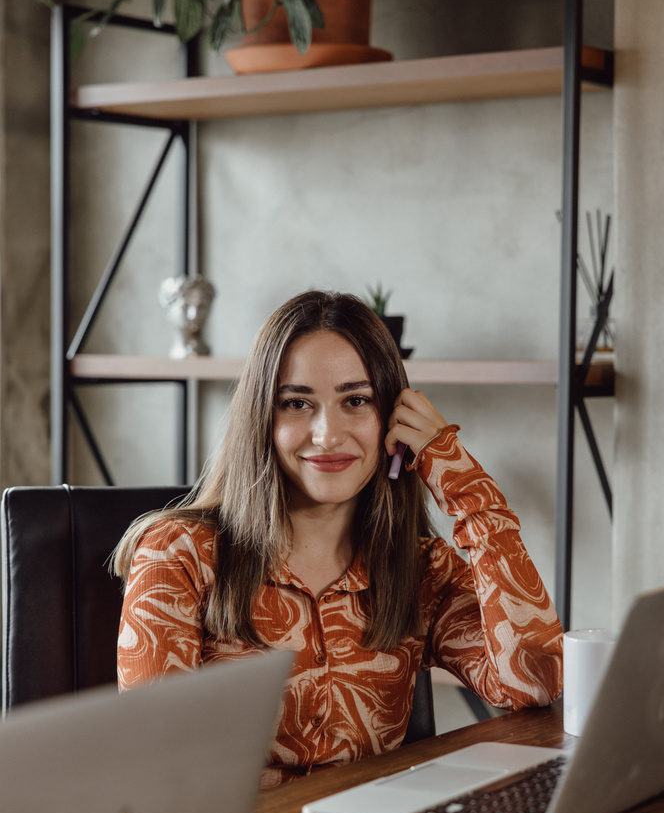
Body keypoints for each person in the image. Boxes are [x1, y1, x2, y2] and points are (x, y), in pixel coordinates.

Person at [116, 290, 562, 787]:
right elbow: (154, 763)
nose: (327, 435)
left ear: (393, 418)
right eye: (297, 403)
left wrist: (460, 481)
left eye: (356, 400)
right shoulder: (179, 554)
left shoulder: (420, 569)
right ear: (262, 418)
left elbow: (535, 681)